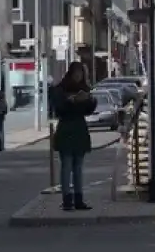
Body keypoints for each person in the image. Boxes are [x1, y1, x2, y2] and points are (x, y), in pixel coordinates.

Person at [51, 61, 97, 210]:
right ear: (71, 73)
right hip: (66, 127)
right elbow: (58, 109)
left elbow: (88, 110)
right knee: (67, 165)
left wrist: (90, 101)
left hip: (79, 127)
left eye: (81, 74)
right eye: (76, 73)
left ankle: (78, 199)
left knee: (78, 167)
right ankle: (66, 200)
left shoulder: (83, 88)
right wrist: (70, 101)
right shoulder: (61, 88)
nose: (78, 76)